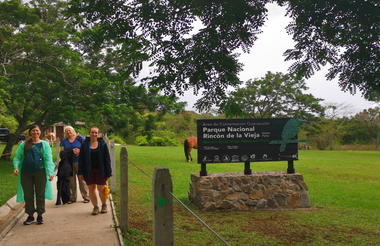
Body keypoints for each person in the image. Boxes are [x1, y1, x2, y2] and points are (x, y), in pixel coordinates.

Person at [13, 125, 55, 225]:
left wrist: (50, 172)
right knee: (28, 194)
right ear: (30, 132)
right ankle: (30, 216)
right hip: (25, 173)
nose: (35, 132)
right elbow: (17, 157)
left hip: (40, 172)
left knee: (40, 194)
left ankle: (40, 215)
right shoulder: (24, 145)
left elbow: (48, 159)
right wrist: (16, 167)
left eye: (37, 130)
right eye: (33, 131)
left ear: (40, 132)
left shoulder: (45, 144)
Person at [78, 127, 112, 215]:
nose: (94, 134)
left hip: (101, 170)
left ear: (98, 134)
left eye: (96, 133)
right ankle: (95, 207)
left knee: (102, 189)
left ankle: (104, 205)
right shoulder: (84, 145)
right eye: (92, 132)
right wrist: (80, 172)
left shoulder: (102, 144)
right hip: (88, 171)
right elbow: (81, 159)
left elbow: (107, 159)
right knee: (91, 189)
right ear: (89, 133)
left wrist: (109, 172)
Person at [60, 126, 89, 203]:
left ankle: (86, 197)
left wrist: (80, 151)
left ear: (73, 131)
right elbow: (61, 153)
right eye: (66, 131)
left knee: (82, 180)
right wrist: (71, 151)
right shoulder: (64, 141)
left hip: (79, 162)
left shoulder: (80, 139)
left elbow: (87, 148)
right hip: (68, 163)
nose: (68, 132)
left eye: (70, 130)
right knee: (71, 181)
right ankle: (72, 198)